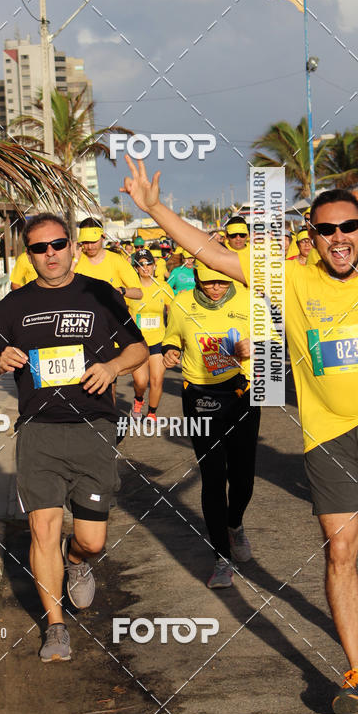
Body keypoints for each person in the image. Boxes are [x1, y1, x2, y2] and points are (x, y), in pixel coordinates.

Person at [121, 159, 358, 714]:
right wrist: (154, 208)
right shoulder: (290, 277)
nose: (340, 239)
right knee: (342, 550)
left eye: (350, 227)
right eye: (327, 230)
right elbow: (211, 253)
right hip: (329, 436)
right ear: (313, 236)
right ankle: (355, 668)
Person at [0, 213, 148, 663]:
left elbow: (138, 348)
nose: (49, 254)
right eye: (38, 247)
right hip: (39, 430)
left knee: (91, 540)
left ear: (71, 246)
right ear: (28, 255)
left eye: (56, 244)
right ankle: (55, 628)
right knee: (43, 527)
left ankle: (77, 562)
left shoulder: (99, 294)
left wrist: (112, 368)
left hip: (93, 428)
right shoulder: (14, 304)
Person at [161, 260, 260, 587]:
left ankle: (235, 524)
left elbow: (273, 342)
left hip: (242, 393)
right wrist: (171, 350)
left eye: (221, 283)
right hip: (199, 396)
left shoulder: (247, 299)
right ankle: (221, 557)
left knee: (243, 476)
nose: (216, 289)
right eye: (208, 283)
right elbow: (172, 336)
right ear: (197, 278)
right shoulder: (182, 301)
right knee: (213, 477)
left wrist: (254, 346)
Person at [128, 249, 173, 419]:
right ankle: (138, 399)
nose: (145, 267)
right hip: (137, 342)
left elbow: (173, 312)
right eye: (141, 264)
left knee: (156, 380)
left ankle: (152, 413)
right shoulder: (131, 289)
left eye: (148, 263)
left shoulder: (163, 286)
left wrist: (172, 338)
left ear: (155, 266)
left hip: (158, 340)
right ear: (136, 268)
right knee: (141, 382)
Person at [74, 219, 142, 300]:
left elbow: (139, 293)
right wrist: (74, 259)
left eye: (93, 241)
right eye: (85, 242)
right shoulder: (76, 261)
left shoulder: (117, 260)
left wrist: (120, 290)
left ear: (103, 237)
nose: (89, 246)